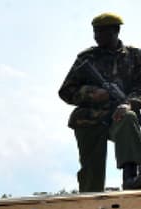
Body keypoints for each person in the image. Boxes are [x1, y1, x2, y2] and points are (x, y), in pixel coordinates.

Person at [59, 12, 141, 192]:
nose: (97, 37)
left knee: (128, 118)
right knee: (91, 177)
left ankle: (131, 178)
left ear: (116, 31)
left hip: (118, 114)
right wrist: (91, 93)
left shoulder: (135, 56)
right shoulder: (87, 58)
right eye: (95, 32)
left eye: (102, 32)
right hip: (89, 120)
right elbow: (66, 91)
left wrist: (129, 103)